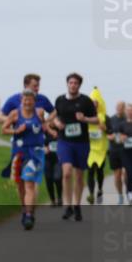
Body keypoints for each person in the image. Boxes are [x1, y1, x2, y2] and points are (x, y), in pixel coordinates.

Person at [50, 73, 97, 221]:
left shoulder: (86, 101)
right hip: (65, 142)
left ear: (79, 85)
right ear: (67, 84)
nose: (73, 85)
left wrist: (85, 119)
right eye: (70, 83)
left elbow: (96, 119)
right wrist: (57, 123)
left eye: (76, 83)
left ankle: (76, 206)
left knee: (78, 175)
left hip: (82, 142)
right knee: (67, 172)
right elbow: (53, 117)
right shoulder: (60, 100)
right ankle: (67, 206)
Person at [1, 90, 45, 229]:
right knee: (20, 185)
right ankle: (25, 209)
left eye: (30, 100)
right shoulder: (15, 114)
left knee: (29, 183)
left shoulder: (39, 113)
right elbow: (3, 129)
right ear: (21, 100)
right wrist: (16, 131)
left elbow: (44, 127)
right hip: (19, 153)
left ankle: (28, 215)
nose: (27, 102)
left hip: (35, 153)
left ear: (34, 101)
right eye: (25, 100)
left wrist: (51, 132)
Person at [86, 86, 109, 205]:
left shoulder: (104, 117)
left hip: (101, 148)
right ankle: (90, 193)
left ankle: (99, 189)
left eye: (96, 102)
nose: (94, 104)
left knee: (99, 171)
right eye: (92, 102)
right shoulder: (86, 117)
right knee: (90, 171)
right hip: (90, 148)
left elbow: (111, 131)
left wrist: (105, 128)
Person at [108, 100, 128, 204]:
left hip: (126, 150)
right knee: (117, 175)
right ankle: (120, 195)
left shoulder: (127, 119)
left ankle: (129, 192)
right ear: (116, 108)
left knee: (126, 173)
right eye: (118, 106)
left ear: (124, 108)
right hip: (114, 150)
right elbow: (107, 134)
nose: (119, 108)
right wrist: (112, 136)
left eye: (122, 106)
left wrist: (126, 136)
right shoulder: (111, 119)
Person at [44, 122, 63, 206]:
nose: (51, 122)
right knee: (48, 179)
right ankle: (52, 200)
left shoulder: (60, 130)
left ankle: (59, 197)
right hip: (47, 158)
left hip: (58, 159)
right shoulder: (44, 131)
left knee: (57, 178)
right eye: (49, 120)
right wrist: (43, 148)